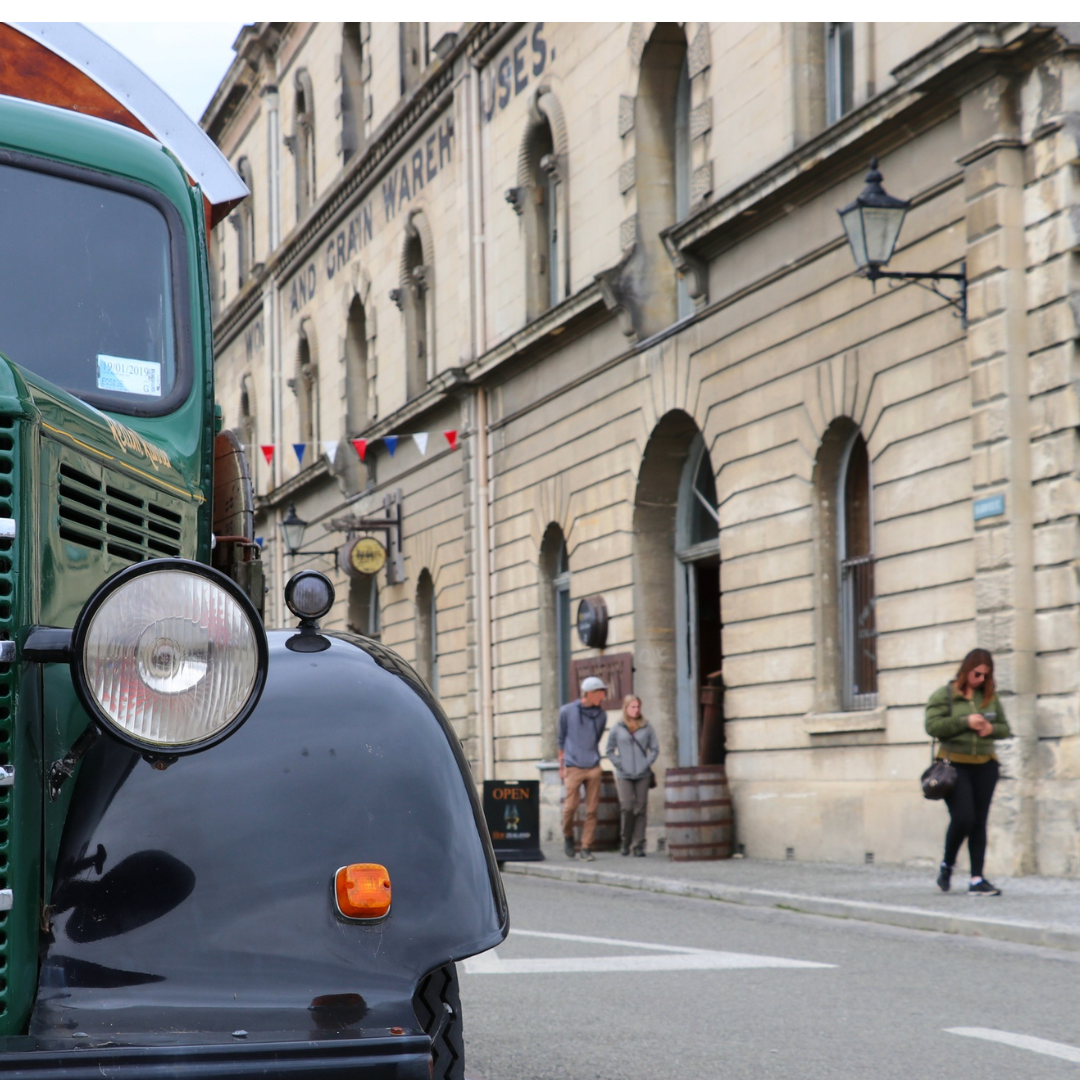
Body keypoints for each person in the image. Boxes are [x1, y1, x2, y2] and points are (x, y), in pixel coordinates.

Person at [925, 648, 1011, 896]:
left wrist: (990, 728)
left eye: (986, 675)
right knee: (964, 818)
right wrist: (966, 722)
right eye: (977, 674)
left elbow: (1005, 728)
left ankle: (977, 879)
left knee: (979, 823)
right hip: (954, 766)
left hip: (985, 765)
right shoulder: (946, 695)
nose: (981, 680)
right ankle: (947, 864)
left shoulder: (990, 697)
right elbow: (932, 726)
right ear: (966, 670)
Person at [558, 676, 609, 861]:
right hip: (573, 766)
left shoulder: (602, 715)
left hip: (593, 766)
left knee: (592, 810)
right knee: (569, 808)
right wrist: (561, 765)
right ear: (590, 693)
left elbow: (596, 738)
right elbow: (561, 739)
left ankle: (586, 847)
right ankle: (568, 836)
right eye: (601, 692)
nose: (603, 697)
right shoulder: (566, 711)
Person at [605, 695, 660, 857]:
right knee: (627, 807)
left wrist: (646, 763)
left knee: (641, 808)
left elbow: (655, 749)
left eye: (638, 707)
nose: (636, 710)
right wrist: (620, 764)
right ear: (626, 708)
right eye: (632, 707)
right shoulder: (617, 728)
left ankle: (638, 845)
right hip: (624, 774)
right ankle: (625, 840)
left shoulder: (647, 727)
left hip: (643, 774)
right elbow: (609, 750)